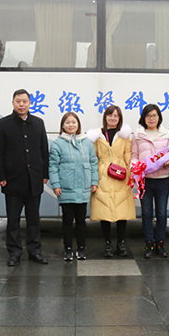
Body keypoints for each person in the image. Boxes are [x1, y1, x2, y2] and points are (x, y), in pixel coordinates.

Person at [0, 89, 50, 266]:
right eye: (18, 101)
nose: (21, 104)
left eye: (24, 101)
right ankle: (14, 252)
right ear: (13, 103)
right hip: (12, 180)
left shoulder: (38, 123)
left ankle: (35, 251)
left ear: (30, 103)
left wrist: (45, 174)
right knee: (13, 220)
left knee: (34, 220)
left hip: (34, 180)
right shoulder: (3, 124)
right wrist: (0, 176)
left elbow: (44, 150)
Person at [86, 105, 135, 258]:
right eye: (110, 115)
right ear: (105, 117)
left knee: (122, 210)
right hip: (103, 174)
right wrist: (94, 177)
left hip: (121, 174)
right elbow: (93, 157)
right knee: (104, 210)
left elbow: (128, 155)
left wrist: (131, 174)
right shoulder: (97, 135)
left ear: (120, 118)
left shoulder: (124, 136)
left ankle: (121, 242)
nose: (113, 118)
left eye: (116, 116)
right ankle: (107, 242)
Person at [49, 112, 98, 261]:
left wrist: (94, 182)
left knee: (81, 221)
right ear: (63, 125)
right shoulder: (58, 144)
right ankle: (68, 248)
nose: (71, 125)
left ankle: (81, 248)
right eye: (68, 122)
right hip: (66, 188)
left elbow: (93, 163)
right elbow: (53, 166)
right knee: (67, 221)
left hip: (83, 188)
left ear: (78, 125)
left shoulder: (87, 143)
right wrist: (56, 184)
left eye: (74, 122)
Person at [131, 104, 169, 259]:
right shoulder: (137, 135)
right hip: (145, 181)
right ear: (143, 118)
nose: (151, 118)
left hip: (162, 180)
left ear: (159, 117)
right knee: (147, 213)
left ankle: (160, 244)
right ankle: (149, 244)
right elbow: (134, 156)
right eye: (148, 116)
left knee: (161, 213)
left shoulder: (166, 134)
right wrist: (136, 166)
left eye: (154, 115)